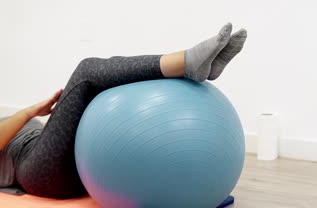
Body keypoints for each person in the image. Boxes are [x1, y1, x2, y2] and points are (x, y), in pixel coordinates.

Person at [0, 23, 247, 198]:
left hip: (55, 159)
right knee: (86, 71)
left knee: (99, 83)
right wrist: (30, 112)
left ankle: (203, 66)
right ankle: (187, 62)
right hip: (37, 173)